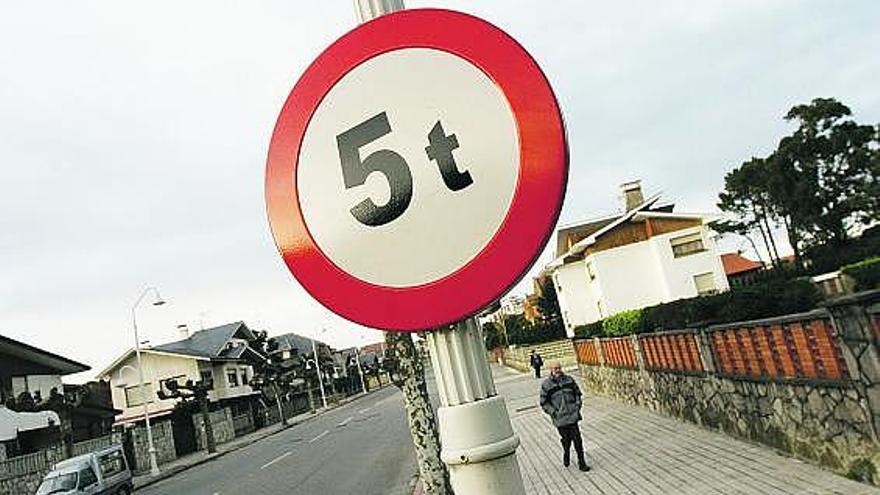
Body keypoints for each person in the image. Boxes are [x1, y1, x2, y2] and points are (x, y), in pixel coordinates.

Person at [540, 362, 590, 472]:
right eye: (555, 368)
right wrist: (553, 412)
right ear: (551, 370)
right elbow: (544, 403)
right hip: (560, 418)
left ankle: (582, 462)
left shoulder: (569, 380)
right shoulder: (546, 385)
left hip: (572, 415)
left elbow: (578, 393)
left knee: (577, 439)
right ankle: (566, 452)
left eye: (559, 368)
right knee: (566, 439)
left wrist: (577, 405)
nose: (557, 370)